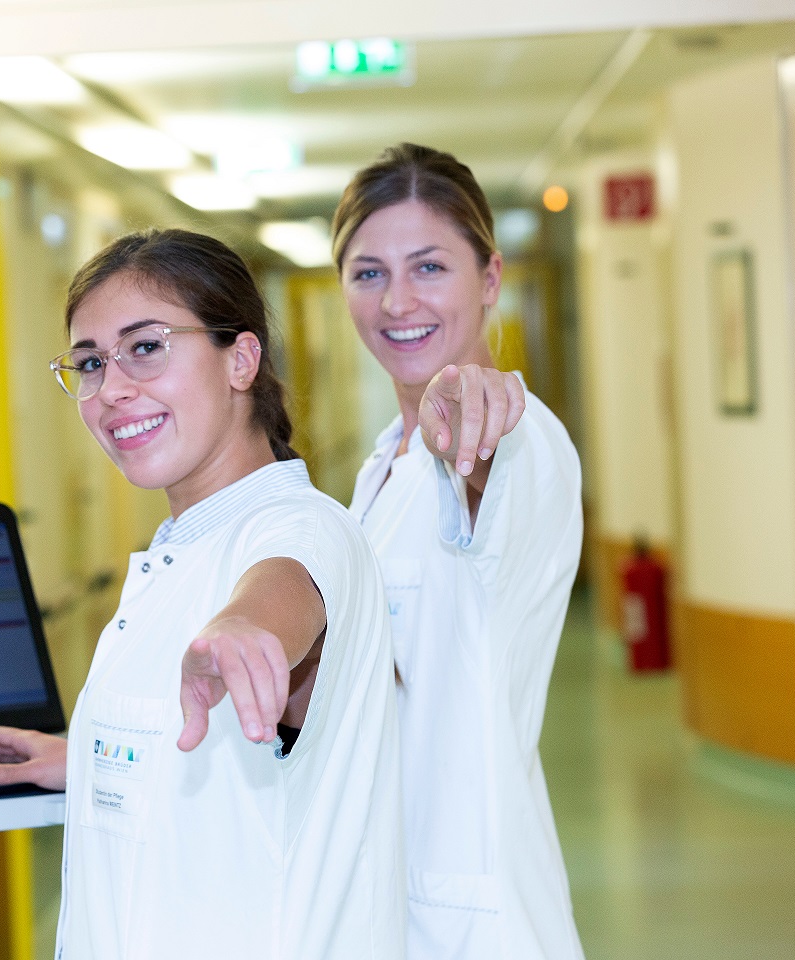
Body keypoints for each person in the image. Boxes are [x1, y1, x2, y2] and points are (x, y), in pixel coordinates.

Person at [0, 229, 404, 958]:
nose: (112, 390)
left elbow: (278, 595)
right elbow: (212, 769)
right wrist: (90, 756)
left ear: (241, 359)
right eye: (90, 363)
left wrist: (243, 632)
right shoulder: (183, 547)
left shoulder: (303, 528)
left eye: (146, 347)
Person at [332, 143, 585, 959]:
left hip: (470, 918)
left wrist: (475, 401)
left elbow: (485, 465)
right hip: (384, 897)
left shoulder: (520, 440)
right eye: (368, 273)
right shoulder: (384, 465)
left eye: (429, 267)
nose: (396, 301)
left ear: (490, 278)